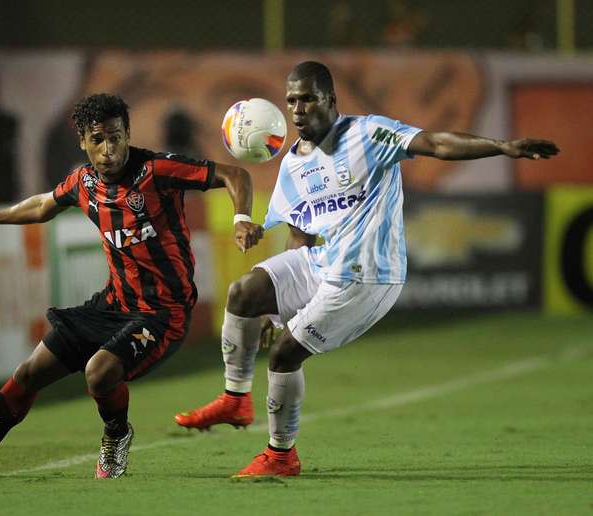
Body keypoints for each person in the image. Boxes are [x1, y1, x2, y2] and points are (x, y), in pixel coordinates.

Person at [174, 61, 559, 477]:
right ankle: (235, 398)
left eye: (307, 98)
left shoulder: (367, 134)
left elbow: (435, 144)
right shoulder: (293, 164)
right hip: (324, 262)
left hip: (369, 276)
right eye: (291, 101)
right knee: (244, 293)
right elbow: (300, 238)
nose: (298, 109)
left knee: (285, 355)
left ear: (330, 101)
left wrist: (501, 146)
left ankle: (281, 457)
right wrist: (274, 310)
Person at [0, 93, 264, 480]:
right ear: (83, 141)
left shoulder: (156, 170)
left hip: (164, 312)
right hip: (112, 305)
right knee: (30, 372)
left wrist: (241, 219)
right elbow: (43, 205)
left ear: (128, 134)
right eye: (98, 139)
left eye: (116, 137)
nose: (109, 149)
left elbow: (235, 175)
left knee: (99, 373)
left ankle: (116, 435)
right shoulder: (83, 181)